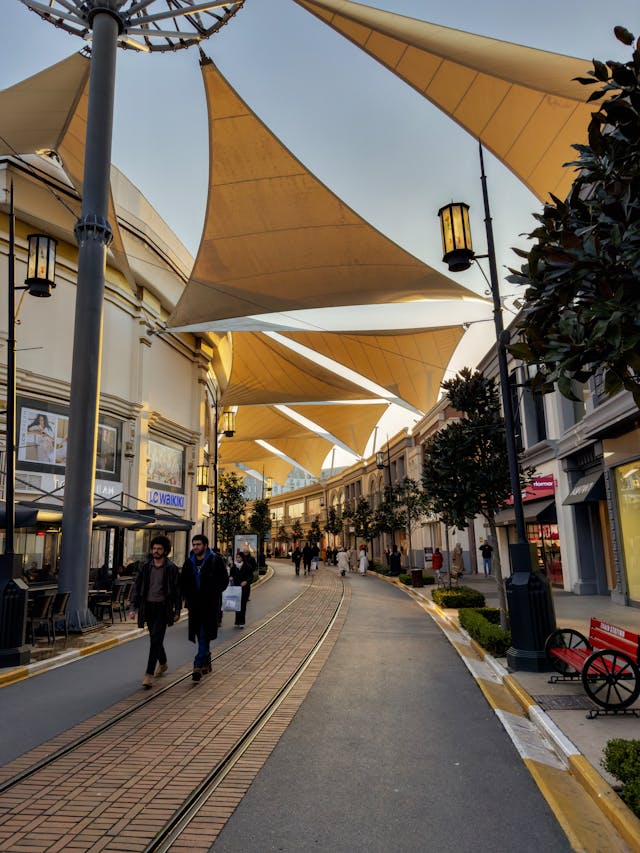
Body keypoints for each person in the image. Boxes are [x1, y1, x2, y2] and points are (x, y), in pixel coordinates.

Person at [129, 535, 181, 689]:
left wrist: (177, 610)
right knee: (154, 638)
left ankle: (148, 674)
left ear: (165, 551)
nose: (156, 551)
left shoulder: (171, 569)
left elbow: (177, 591)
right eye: (154, 548)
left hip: (163, 608)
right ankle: (163, 663)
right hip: (148, 607)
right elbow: (137, 588)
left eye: (159, 549)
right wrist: (133, 608)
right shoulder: (145, 567)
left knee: (155, 640)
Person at [181, 534, 229, 682]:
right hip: (195, 606)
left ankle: (197, 665)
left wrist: (214, 593)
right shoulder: (189, 563)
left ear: (205, 545)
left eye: (198, 545)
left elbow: (224, 581)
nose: (195, 547)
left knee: (204, 633)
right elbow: (183, 582)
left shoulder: (216, 560)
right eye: (194, 545)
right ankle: (206, 660)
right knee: (201, 634)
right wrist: (188, 597)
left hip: (209, 605)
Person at [230, 549, 253, 628]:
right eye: (236, 557)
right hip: (236, 589)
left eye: (239, 557)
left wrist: (246, 582)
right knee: (237, 605)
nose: (237, 559)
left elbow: (251, 577)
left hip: (244, 589)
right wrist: (231, 577)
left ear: (242, 558)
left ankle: (242, 622)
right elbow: (231, 574)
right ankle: (237, 621)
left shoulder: (247, 566)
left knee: (243, 605)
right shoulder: (234, 567)